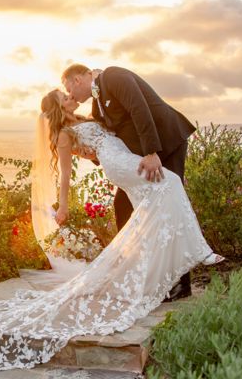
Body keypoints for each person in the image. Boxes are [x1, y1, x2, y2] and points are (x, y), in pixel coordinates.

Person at [0, 89, 222, 372]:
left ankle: (164, 270)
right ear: (58, 107)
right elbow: (65, 174)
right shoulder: (64, 134)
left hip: (120, 154)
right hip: (118, 162)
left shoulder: (86, 117)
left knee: (151, 212)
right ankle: (199, 251)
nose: (70, 97)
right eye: (64, 97)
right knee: (170, 183)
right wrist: (63, 206)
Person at [62, 63, 197, 301]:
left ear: (77, 80)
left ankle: (181, 282)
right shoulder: (96, 105)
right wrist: (92, 155)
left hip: (167, 143)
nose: (70, 95)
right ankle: (138, 270)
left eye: (68, 89)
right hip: (147, 155)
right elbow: (111, 137)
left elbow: (139, 108)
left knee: (171, 207)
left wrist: (152, 152)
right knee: (122, 206)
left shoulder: (114, 76)